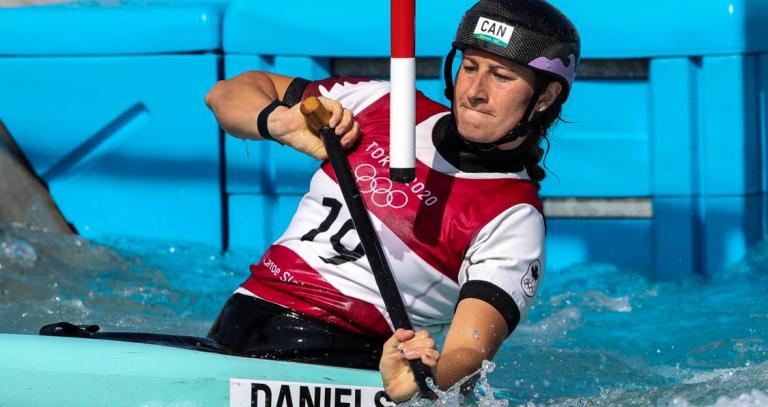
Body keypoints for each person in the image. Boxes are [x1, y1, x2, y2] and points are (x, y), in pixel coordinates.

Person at [204, 0, 579, 402]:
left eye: (501, 76)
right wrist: (280, 121)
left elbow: (470, 350)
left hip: (346, 363)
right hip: (239, 321)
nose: (476, 91)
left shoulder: (513, 218)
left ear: (545, 97)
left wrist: (424, 377)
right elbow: (225, 94)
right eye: (470, 67)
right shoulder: (377, 103)